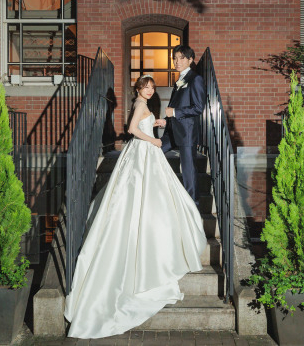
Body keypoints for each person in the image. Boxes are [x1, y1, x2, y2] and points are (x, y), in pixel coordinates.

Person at [63, 75, 207, 339]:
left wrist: (159, 123)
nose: (150, 90)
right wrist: (153, 140)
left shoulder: (143, 104)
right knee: (143, 195)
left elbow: (142, 124)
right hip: (143, 152)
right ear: (138, 89)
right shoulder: (140, 104)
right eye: (146, 86)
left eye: (152, 87)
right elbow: (132, 129)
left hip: (144, 153)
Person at [160, 45, 206, 205]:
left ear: (190, 60)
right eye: (175, 58)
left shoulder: (195, 79)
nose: (177, 61)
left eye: (181, 58)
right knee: (154, 151)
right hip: (172, 131)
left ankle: (193, 206)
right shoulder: (179, 80)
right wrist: (166, 120)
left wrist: (175, 112)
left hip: (186, 132)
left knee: (188, 171)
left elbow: (199, 107)